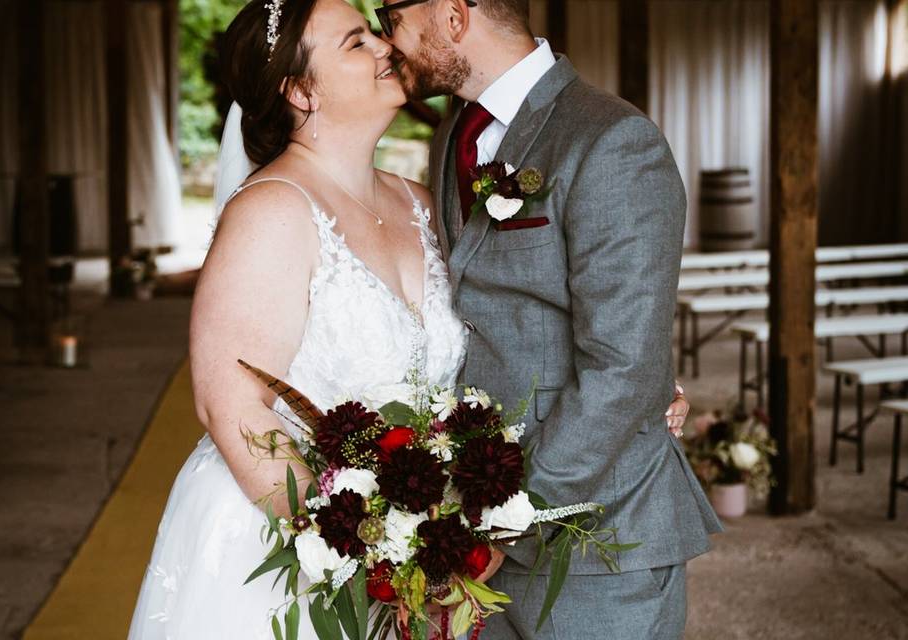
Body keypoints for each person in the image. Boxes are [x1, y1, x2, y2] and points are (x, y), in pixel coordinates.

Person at [128, 1, 690, 638]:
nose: (384, 46)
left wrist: (644, 380)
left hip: (447, 541)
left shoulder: (418, 198)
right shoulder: (270, 214)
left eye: (380, 24)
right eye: (355, 41)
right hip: (331, 548)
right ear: (302, 91)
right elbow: (229, 405)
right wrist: (357, 542)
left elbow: (521, 318)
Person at [378, 1, 722, 638]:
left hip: (599, 542)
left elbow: (623, 368)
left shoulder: (611, 139)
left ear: (453, 15)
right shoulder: (451, 134)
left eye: (391, 12)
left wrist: (503, 516)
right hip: (478, 537)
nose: (385, 35)